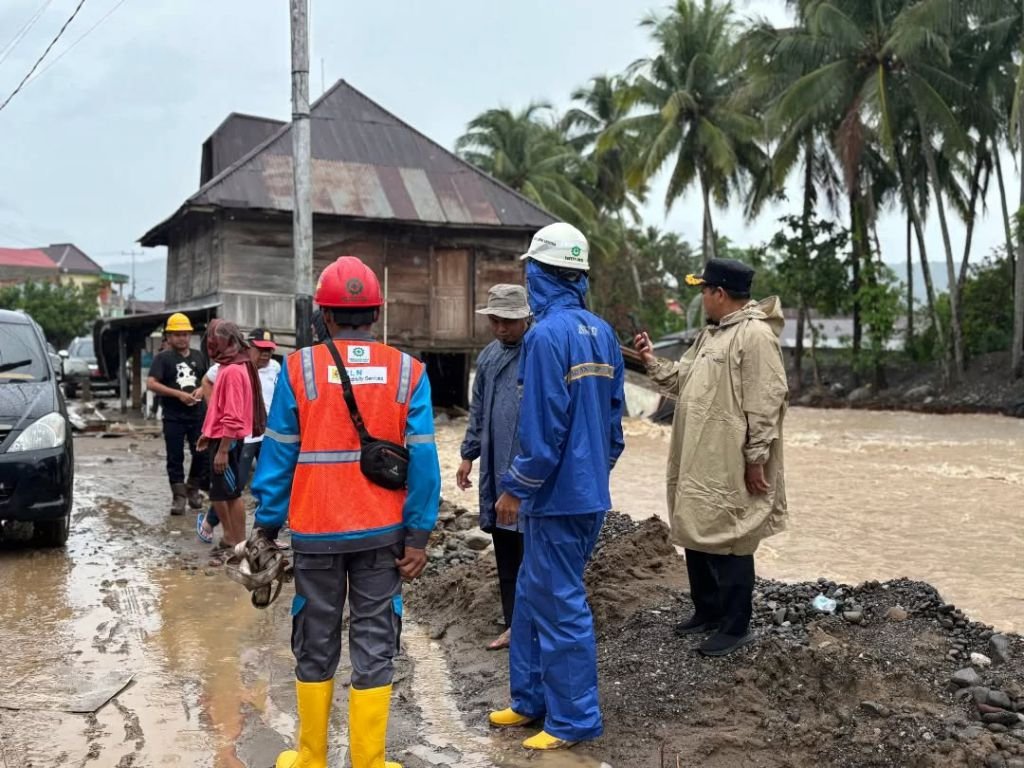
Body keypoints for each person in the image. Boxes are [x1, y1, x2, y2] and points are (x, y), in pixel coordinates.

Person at [249, 255, 440, 768]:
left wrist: (266, 524)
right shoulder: (408, 371)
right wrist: (419, 536)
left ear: (324, 314)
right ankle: (369, 762)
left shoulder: (298, 368)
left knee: (315, 635)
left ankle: (311, 758)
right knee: (376, 640)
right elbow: (424, 460)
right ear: (376, 312)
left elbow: (279, 453)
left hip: (315, 531)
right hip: (384, 535)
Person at [488, 222, 625, 751]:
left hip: (552, 497)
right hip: (585, 493)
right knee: (531, 593)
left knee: (561, 603)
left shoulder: (545, 337)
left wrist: (516, 487)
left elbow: (542, 432)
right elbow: (614, 429)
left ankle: (573, 720)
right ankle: (529, 700)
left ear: (538, 274)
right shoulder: (602, 332)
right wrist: (591, 473)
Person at [633, 257, 788, 657]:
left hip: (731, 457)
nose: (701, 297)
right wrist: (650, 360)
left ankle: (736, 627)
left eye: (703, 290)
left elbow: (766, 402)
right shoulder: (712, 335)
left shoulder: (755, 336)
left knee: (733, 535)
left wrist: (755, 460)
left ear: (719, 293)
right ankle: (707, 611)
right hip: (699, 452)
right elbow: (682, 380)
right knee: (697, 525)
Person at [456, 284, 530, 651]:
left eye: (509, 322)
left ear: (527, 318)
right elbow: (478, 410)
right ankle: (513, 622)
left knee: (533, 547)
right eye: (496, 321)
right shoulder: (487, 358)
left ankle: (533, 624)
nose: (502, 329)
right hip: (497, 468)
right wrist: (468, 455)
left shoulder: (539, 354)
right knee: (506, 550)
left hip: (531, 471)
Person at [197, 328, 281, 544]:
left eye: (269, 351)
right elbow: (217, 401)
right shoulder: (229, 367)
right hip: (235, 436)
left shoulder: (236, 370)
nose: (265, 355)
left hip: (242, 436)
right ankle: (229, 535)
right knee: (227, 490)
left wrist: (223, 448)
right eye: (260, 350)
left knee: (235, 491)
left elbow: (233, 415)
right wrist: (210, 429)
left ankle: (239, 538)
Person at [146, 313, 208, 515]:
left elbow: (208, 379)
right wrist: (178, 394)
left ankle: (193, 489)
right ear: (169, 337)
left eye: (185, 334)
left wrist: (201, 390)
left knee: (201, 453)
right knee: (175, 456)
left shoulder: (199, 356)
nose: (182, 338)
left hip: (197, 414)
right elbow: (151, 383)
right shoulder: (163, 358)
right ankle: (178, 496)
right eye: (178, 334)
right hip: (173, 416)